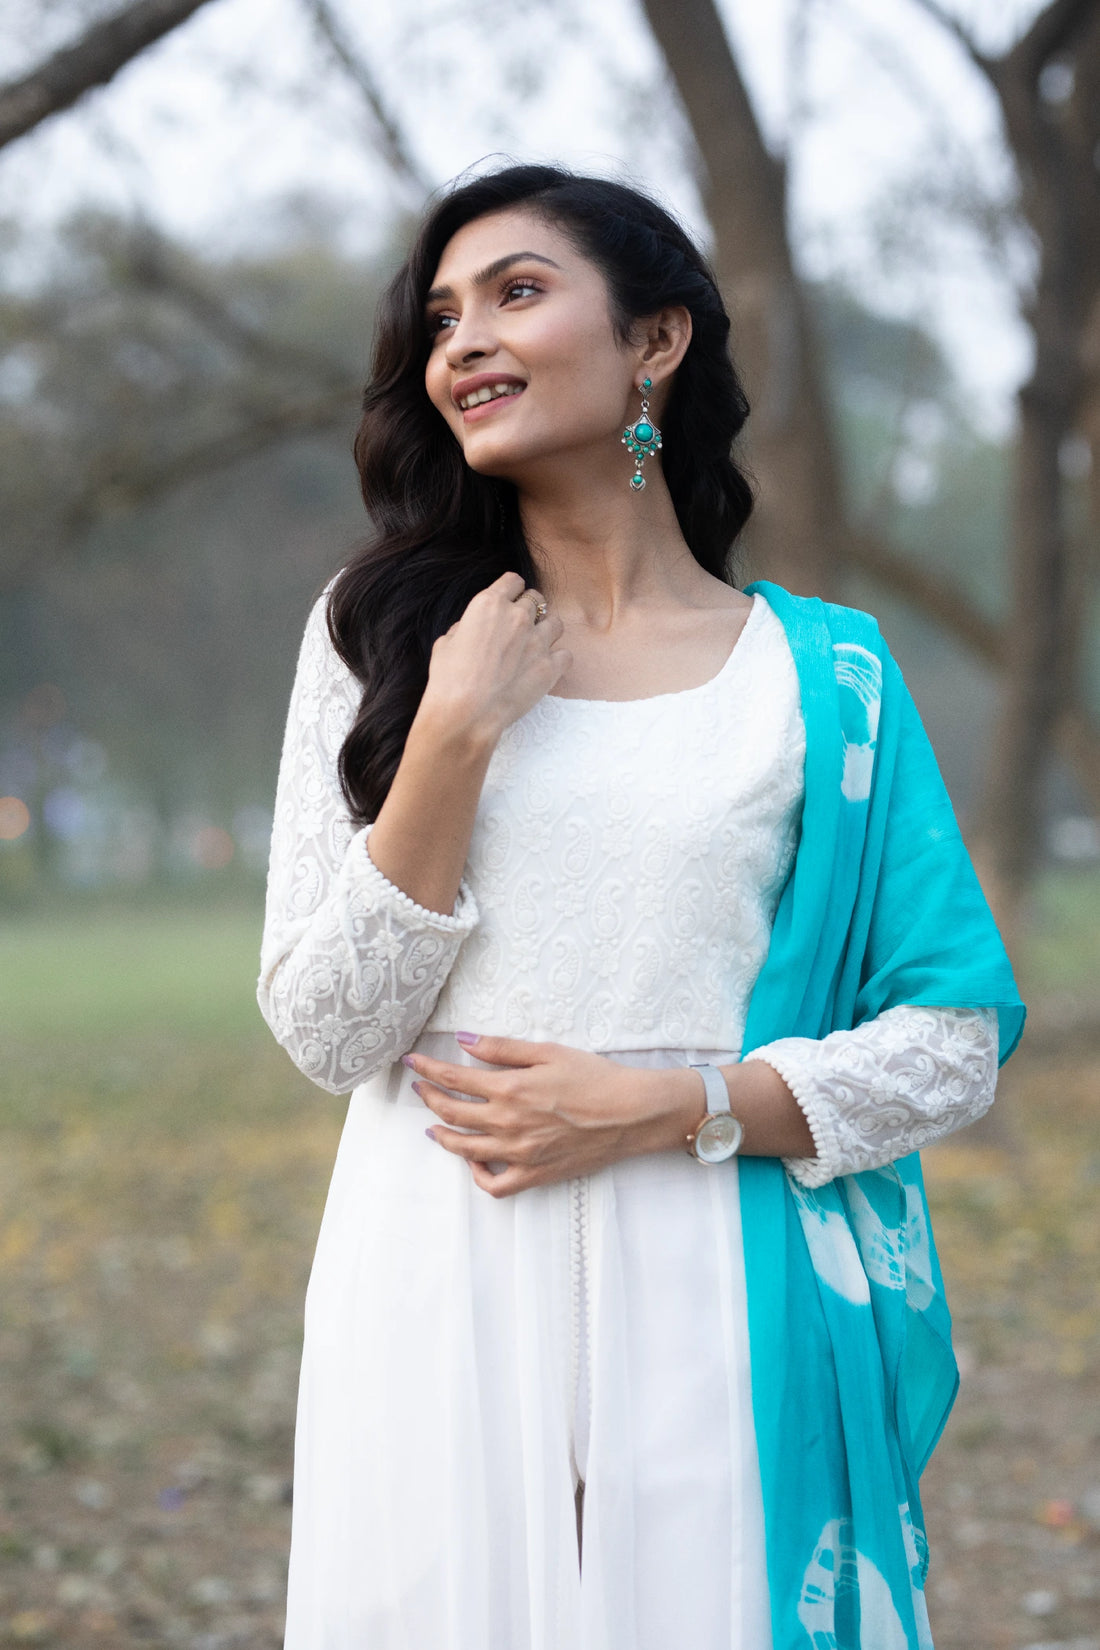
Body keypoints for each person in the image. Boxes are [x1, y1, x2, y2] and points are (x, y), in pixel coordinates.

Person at [257, 162, 1025, 1650]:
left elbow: (955, 1036)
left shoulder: (824, 680)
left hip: (719, 1272)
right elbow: (325, 1023)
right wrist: (455, 733)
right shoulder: (381, 638)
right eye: (440, 318)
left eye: (518, 292)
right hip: (441, 1269)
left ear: (656, 339)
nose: (464, 340)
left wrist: (675, 1101)